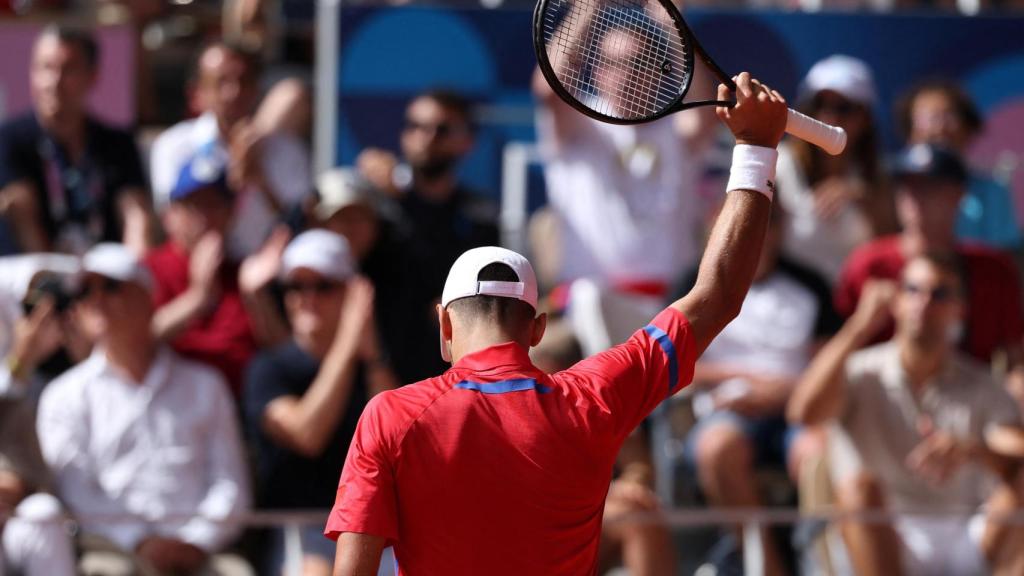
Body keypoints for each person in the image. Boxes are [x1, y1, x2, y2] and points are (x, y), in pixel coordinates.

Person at [326, 72, 788, 574]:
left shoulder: (389, 416)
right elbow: (716, 298)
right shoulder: (592, 398)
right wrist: (756, 149)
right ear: (537, 330)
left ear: (445, 326)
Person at [788, 253, 1024, 575]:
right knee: (859, 490)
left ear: (960, 310)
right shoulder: (859, 373)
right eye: (912, 290)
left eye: (940, 293)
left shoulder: (983, 384)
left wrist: (972, 450)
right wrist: (859, 325)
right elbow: (803, 412)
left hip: (965, 533)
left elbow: (1016, 451)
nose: (924, 302)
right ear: (896, 300)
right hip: (887, 536)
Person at [36, 243, 251, 576]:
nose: (96, 300)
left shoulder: (205, 385)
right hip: (110, 555)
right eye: (84, 291)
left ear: (146, 298)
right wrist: (139, 541)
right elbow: (75, 489)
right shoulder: (62, 396)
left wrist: (196, 541)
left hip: (202, 555)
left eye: (110, 286)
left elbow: (229, 483)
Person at [531, 4, 717, 356]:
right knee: (586, 306)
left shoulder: (678, 132)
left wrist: (671, 23)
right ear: (596, 70)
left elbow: (705, 110)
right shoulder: (579, 127)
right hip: (580, 314)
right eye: (611, 63)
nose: (625, 74)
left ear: (660, 71)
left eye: (639, 62)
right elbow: (547, 87)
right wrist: (590, 5)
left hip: (665, 309)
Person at [676, 203, 840, 576]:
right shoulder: (693, 284)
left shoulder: (812, 285)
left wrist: (785, 392)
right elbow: (667, 362)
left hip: (798, 409)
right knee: (717, 451)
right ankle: (767, 565)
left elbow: (829, 366)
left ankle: (820, 560)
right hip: (726, 412)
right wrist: (742, 382)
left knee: (821, 455)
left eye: (767, 222)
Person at [244, 230, 397, 576]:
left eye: (323, 286)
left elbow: (396, 446)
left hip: (370, 529)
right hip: (298, 529)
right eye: (296, 286)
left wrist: (371, 355)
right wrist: (349, 339)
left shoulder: (371, 366)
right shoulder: (267, 368)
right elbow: (307, 434)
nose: (307, 298)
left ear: (353, 294)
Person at [834, 143, 1023, 373]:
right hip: (882, 400)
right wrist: (861, 325)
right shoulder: (867, 265)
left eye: (929, 186)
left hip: (969, 402)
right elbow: (834, 359)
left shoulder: (994, 269)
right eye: (907, 185)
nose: (914, 196)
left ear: (958, 195)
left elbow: (1016, 359)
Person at [357, 90, 499, 381]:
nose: (428, 137)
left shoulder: (480, 216)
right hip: (376, 370)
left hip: (450, 377)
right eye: (416, 126)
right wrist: (365, 190)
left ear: (467, 142)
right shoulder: (378, 204)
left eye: (442, 129)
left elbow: (466, 295)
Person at [149, 40, 312, 258]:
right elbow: (173, 222)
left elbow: (301, 227)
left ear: (256, 89)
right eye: (221, 82)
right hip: (196, 267)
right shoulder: (172, 145)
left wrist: (258, 180)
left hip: (267, 272)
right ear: (196, 93)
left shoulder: (288, 150)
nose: (233, 92)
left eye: (243, 81)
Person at [0, 25, 152, 256]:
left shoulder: (118, 142)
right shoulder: (9, 139)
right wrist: (56, 280)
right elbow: (23, 218)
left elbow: (135, 215)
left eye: (68, 69)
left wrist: (136, 273)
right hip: (33, 274)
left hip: (103, 274)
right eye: (45, 68)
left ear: (92, 76)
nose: (54, 82)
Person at [145, 153, 271, 396]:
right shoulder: (148, 271)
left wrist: (258, 297)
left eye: (215, 205)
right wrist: (196, 299)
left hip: (234, 413)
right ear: (170, 215)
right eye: (194, 206)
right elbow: (134, 341)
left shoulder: (245, 272)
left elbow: (277, 355)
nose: (205, 217)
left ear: (232, 214)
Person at [775, 55, 897, 284]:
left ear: (865, 118)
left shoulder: (879, 175)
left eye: (844, 108)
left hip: (853, 304)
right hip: (791, 308)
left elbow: (892, 248)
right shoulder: (778, 163)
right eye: (819, 105)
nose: (829, 116)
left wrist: (862, 195)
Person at [0, 255, 80, 576]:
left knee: (43, 515)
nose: (42, 320)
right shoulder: (14, 370)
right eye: (31, 308)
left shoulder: (75, 377)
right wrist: (20, 361)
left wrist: (83, 351)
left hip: (34, 511)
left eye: (53, 310)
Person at [897, 79, 1021, 250]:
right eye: (929, 117)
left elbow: (1007, 254)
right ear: (910, 131)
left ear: (969, 130)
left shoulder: (994, 190)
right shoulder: (891, 187)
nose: (939, 127)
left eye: (949, 116)